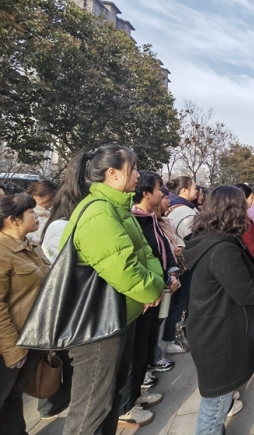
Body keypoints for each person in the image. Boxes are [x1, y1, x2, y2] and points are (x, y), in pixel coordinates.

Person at [61, 145, 165, 435]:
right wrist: (152, 290)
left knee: (109, 399)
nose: (138, 175)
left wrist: (155, 284)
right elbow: (124, 268)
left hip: (119, 316)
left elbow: (144, 252)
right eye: (133, 169)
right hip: (97, 325)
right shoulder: (98, 213)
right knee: (91, 409)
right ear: (113, 173)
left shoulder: (118, 208)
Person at [185, 185, 254, 434]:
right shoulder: (222, 249)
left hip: (211, 327)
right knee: (215, 407)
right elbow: (245, 291)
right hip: (218, 336)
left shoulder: (209, 239)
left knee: (217, 399)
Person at [118, 172, 180, 428]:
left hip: (157, 290)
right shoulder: (133, 219)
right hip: (142, 297)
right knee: (135, 351)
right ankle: (125, 407)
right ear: (146, 193)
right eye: (158, 189)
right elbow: (137, 260)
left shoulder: (152, 219)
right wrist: (150, 288)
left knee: (145, 346)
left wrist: (171, 273)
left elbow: (161, 251)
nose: (163, 194)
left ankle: (136, 396)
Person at [37, 156, 91, 419]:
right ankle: (51, 404)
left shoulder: (63, 225)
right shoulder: (59, 227)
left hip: (70, 299)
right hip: (64, 299)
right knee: (61, 357)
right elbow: (73, 262)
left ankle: (60, 400)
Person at [0, 193, 49, 435]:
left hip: (30, 337)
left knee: (13, 394)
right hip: (11, 343)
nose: (37, 215)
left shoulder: (29, 246)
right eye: (31, 212)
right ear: (13, 220)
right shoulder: (2, 253)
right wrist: (12, 350)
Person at [158, 186, 191, 356]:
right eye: (164, 197)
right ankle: (170, 339)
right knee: (175, 304)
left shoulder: (163, 220)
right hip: (168, 272)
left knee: (178, 303)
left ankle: (174, 337)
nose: (168, 201)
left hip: (178, 268)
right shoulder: (151, 222)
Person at [26, 179, 59, 247]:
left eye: (54, 199)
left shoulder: (48, 214)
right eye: (49, 199)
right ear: (35, 196)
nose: (52, 203)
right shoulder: (27, 214)